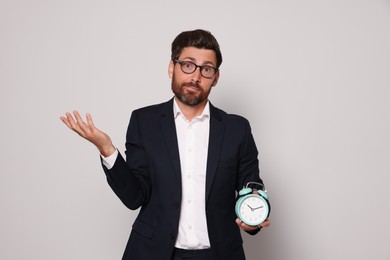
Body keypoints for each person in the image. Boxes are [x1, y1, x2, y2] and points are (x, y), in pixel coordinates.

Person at [60, 29, 270, 260]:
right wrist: (107, 150)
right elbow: (135, 198)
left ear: (215, 77)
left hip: (219, 253)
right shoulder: (144, 122)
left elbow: (251, 187)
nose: (196, 76)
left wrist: (253, 222)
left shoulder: (236, 129)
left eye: (206, 69)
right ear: (172, 67)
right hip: (154, 253)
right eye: (188, 65)